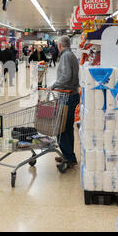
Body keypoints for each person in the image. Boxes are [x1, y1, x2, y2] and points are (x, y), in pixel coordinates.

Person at [48, 35, 80, 169]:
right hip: (69, 95)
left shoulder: (66, 56)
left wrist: (54, 85)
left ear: (60, 45)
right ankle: (67, 155)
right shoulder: (70, 55)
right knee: (66, 128)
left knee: (63, 128)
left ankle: (69, 158)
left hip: (67, 96)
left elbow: (66, 76)